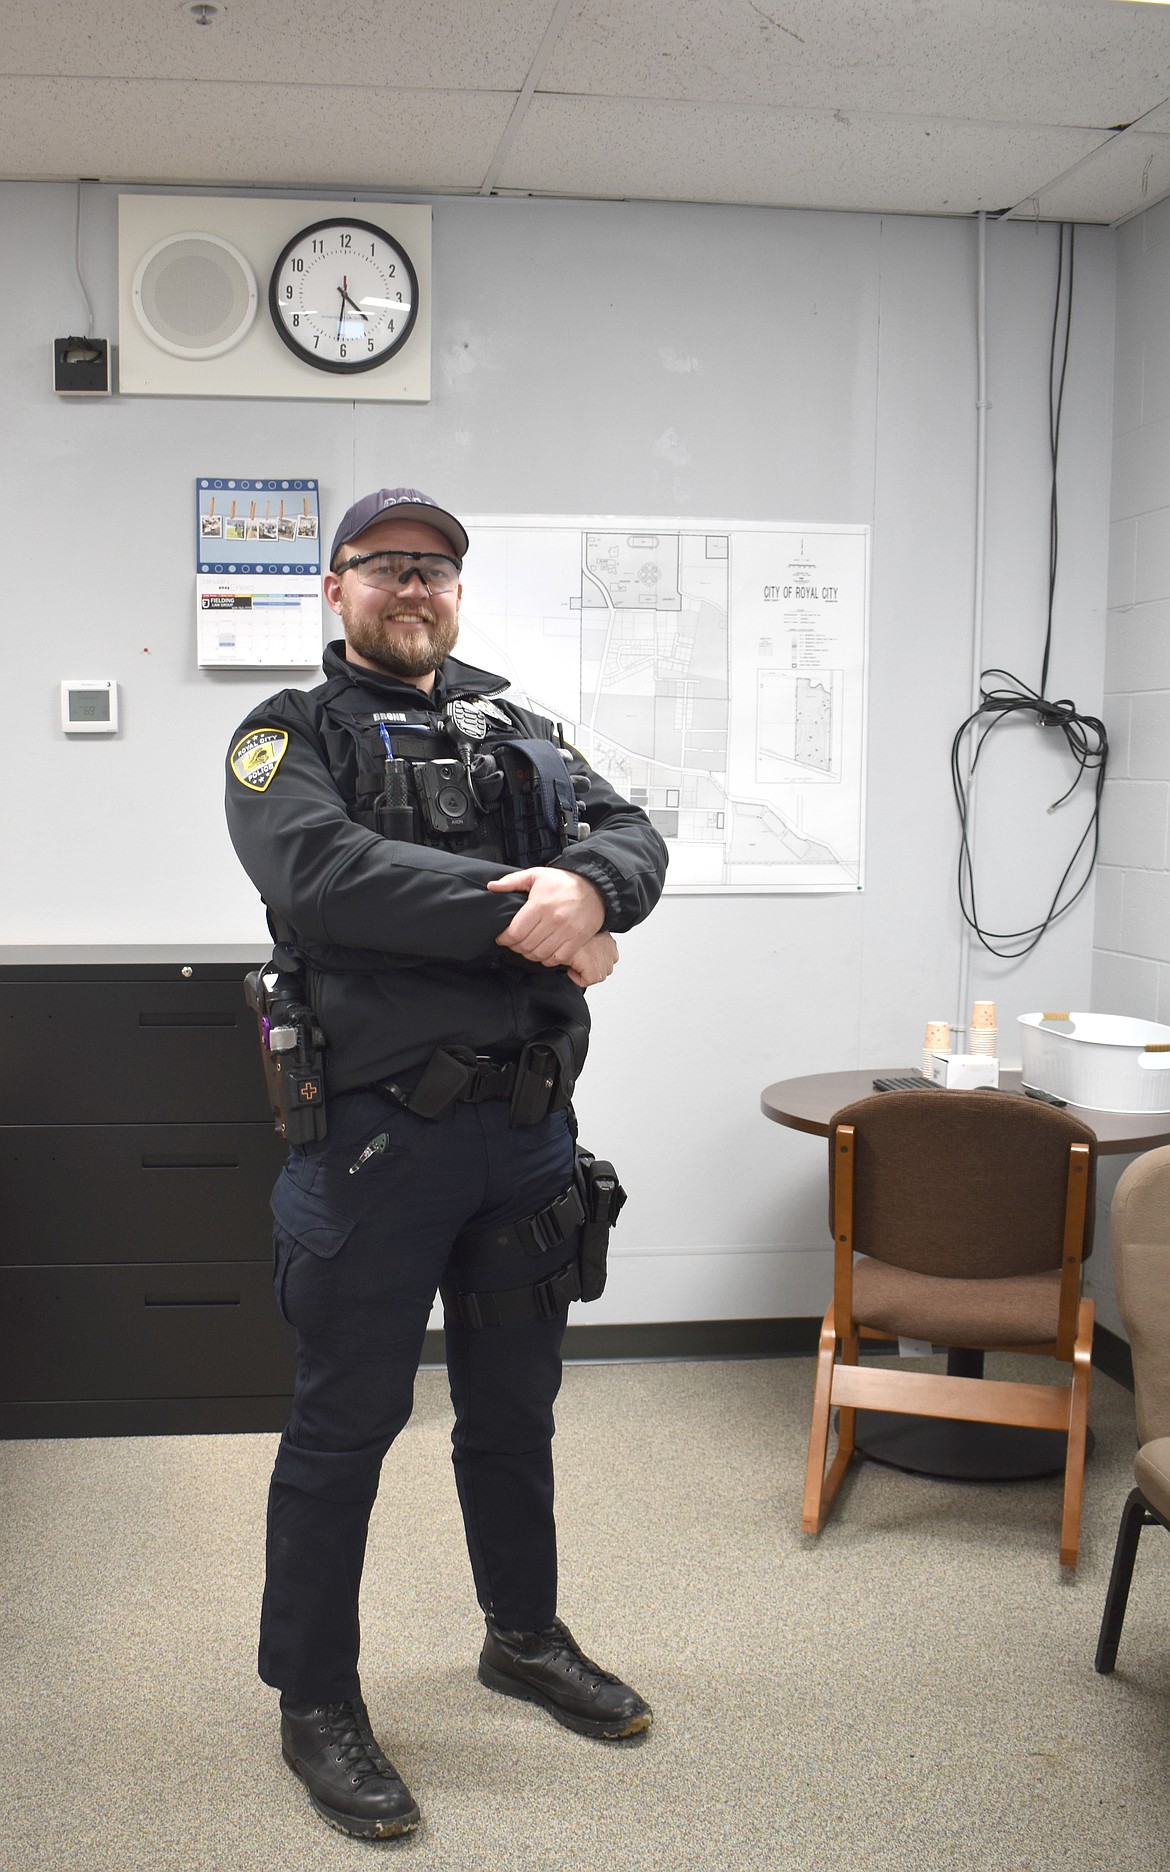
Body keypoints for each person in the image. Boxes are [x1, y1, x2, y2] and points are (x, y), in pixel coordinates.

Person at [225, 486, 668, 1841]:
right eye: (384, 566)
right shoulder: (282, 735)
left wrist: (592, 891)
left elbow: (635, 837)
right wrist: (545, 916)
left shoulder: (519, 728)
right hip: (375, 1145)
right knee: (344, 1428)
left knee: (514, 1413)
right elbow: (324, 877)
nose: (412, 586)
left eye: (436, 570)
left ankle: (520, 1638)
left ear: (457, 595)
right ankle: (314, 1701)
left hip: (527, 1139)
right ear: (336, 589)